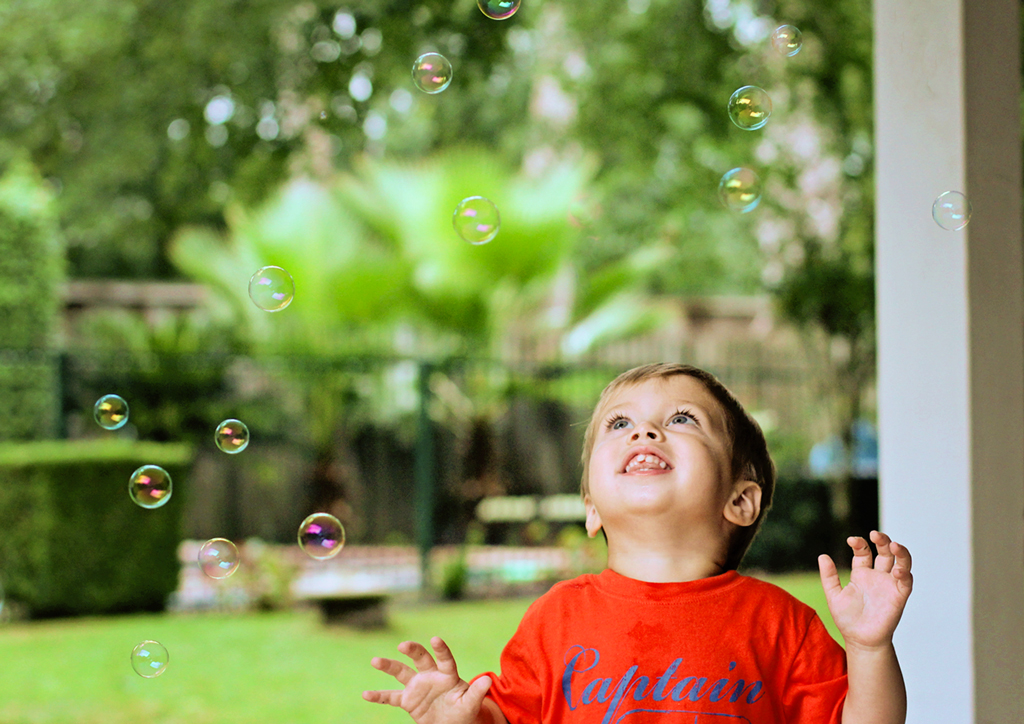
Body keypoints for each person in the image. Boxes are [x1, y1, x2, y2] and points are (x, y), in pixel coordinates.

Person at [363, 363, 914, 724]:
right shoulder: (556, 619)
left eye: (682, 419)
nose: (643, 432)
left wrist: (869, 649)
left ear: (740, 500)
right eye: (618, 423)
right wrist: (460, 716)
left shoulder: (781, 625)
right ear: (591, 507)